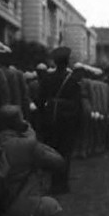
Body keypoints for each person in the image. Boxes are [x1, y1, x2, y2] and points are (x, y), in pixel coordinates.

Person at [0, 105, 66, 216]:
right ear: (19, 123)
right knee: (52, 208)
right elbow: (58, 162)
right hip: (11, 212)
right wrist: (31, 134)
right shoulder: (26, 145)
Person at [37, 47, 82, 195]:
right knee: (65, 152)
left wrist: (43, 118)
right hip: (68, 121)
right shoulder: (73, 80)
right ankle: (63, 183)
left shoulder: (47, 79)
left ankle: (54, 183)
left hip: (51, 120)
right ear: (67, 62)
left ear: (55, 62)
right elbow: (78, 104)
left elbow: (40, 101)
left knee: (53, 150)